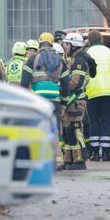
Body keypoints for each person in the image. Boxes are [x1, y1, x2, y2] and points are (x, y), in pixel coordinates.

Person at [21, 32, 67, 168]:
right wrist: (63, 103)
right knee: (55, 129)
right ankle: (58, 161)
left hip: (38, 100)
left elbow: (24, 82)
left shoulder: (33, 59)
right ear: (52, 43)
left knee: (38, 128)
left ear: (40, 43)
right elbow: (65, 84)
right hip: (55, 100)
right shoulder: (60, 60)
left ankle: (39, 160)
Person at [61, 33, 96, 170]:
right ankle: (70, 159)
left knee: (75, 129)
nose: (65, 47)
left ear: (74, 45)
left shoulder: (79, 61)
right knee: (68, 130)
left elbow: (76, 82)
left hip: (76, 100)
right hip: (72, 100)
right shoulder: (73, 59)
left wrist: (63, 88)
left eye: (67, 44)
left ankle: (80, 159)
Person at [85, 31, 110, 162]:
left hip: (92, 91)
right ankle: (105, 152)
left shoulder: (87, 52)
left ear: (89, 40)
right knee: (105, 120)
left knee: (93, 121)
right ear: (101, 39)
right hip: (108, 92)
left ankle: (95, 153)